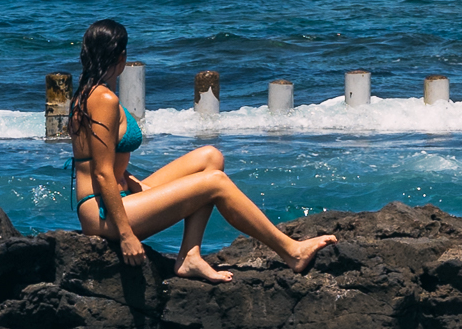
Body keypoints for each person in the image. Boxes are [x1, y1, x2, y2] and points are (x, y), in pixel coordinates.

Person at [67, 18, 335, 282]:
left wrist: (131, 181)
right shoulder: (103, 98)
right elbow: (101, 173)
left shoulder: (90, 93)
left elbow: (103, 163)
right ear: (122, 56)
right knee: (214, 183)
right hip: (102, 213)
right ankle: (291, 250)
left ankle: (190, 255)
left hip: (117, 197)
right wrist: (127, 235)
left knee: (210, 157)